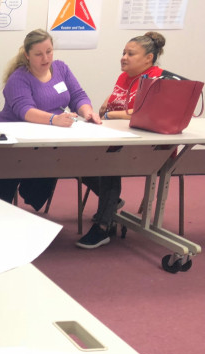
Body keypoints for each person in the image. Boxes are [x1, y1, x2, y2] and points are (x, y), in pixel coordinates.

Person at [0, 29, 101, 211]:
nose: (45, 58)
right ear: (27, 55)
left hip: (46, 140)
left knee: (80, 159)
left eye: (49, 51)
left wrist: (87, 112)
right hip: (13, 141)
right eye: (38, 54)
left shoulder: (61, 68)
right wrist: (54, 119)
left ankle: (109, 202)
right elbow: (24, 110)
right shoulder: (18, 77)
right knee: (9, 176)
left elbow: (78, 96)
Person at [76, 32, 166, 249]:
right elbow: (115, 107)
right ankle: (111, 203)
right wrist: (107, 111)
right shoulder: (124, 76)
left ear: (149, 58)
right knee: (75, 158)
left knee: (109, 164)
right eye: (123, 52)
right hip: (118, 136)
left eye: (130, 54)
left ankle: (103, 226)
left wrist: (111, 114)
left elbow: (143, 113)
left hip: (148, 145)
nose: (123, 57)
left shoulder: (158, 78)